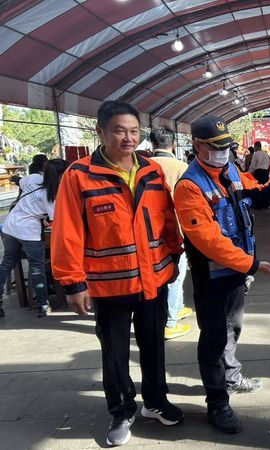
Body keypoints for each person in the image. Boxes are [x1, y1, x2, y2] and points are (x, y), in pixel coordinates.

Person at [51, 101, 184, 447]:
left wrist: (173, 257)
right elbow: (67, 232)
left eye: (134, 131)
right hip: (109, 286)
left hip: (153, 281)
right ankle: (122, 411)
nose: (128, 138)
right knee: (115, 354)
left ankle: (155, 401)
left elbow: (167, 220)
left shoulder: (152, 172)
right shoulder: (78, 176)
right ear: (100, 131)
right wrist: (73, 283)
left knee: (154, 347)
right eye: (120, 131)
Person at [173, 116, 270, 434]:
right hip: (212, 278)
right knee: (213, 338)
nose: (223, 152)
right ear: (197, 146)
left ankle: (231, 375)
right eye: (216, 147)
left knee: (233, 328)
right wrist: (252, 265)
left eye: (227, 146)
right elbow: (209, 241)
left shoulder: (231, 174)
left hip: (237, 273)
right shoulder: (189, 187)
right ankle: (217, 404)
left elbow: (261, 197)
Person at [0, 158, 69, 318]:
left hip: (11, 225)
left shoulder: (33, 178)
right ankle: (43, 305)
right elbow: (56, 220)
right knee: (37, 267)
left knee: (6, 264)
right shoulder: (52, 195)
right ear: (60, 175)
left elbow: (19, 181)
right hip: (29, 231)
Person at [150, 126, 193, 340]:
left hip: (149, 231)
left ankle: (177, 307)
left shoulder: (143, 166)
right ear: (173, 144)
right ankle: (171, 321)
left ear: (152, 144)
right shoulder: (182, 166)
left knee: (159, 273)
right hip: (176, 229)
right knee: (176, 274)